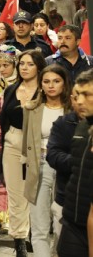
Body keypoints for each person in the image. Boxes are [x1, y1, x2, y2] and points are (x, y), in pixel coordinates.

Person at [0, 49, 47, 257]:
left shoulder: (46, 90)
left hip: (39, 144)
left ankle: (36, 235)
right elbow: (3, 119)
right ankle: (19, 239)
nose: (24, 68)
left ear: (39, 67)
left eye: (30, 64)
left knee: (37, 194)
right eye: (22, 64)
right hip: (13, 141)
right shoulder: (10, 90)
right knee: (16, 194)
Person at [22, 64, 71, 257]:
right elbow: (26, 143)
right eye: (47, 81)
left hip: (65, 170)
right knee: (39, 224)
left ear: (64, 84)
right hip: (39, 168)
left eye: (56, 81)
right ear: (41, 85)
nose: (51, 86)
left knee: (62, 221)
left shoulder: (73, 111)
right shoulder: (31, 109)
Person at [56, 68, 93, 257]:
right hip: (72, 220)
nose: (79, 101)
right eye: (77, 94)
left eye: (87, 95)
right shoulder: (82, 126)